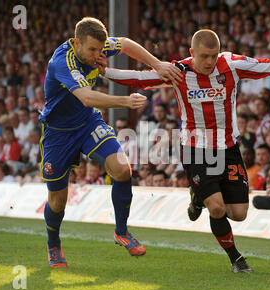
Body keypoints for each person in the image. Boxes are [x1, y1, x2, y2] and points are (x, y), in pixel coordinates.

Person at [104, 29, 270, 274]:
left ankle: (198, 196)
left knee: (238, 213)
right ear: (191, 53)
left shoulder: (231, 64)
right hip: (195, 148)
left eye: (213, 56)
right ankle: (236, 258)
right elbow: (136, 78)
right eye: (204, 56)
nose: (209, 62)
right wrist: (101, 70)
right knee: (217, 208)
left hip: (228, 147)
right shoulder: (179, 72)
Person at [39, 17, 181, 267]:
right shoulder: (62, 63)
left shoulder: (98, 48)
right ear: (75, 42)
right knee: (58, 201)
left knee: (122, 168)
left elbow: (125, 43)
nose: (97, 54)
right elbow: (86, 97)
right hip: (58, 133)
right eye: (92, 50)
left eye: (100, 49)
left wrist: (157, 64)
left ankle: (121, 231)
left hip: (88, 124)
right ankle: (53, 244)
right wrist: (125, 101)